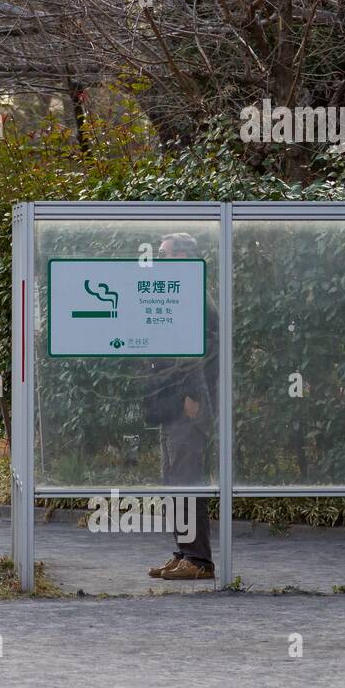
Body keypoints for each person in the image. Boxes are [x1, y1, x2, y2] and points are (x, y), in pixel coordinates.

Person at [142, 232, 218, 581]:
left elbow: (201, 352)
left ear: (185, 257)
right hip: (172, 404)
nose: (157, 261)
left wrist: (194, 398)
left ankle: (198, 560)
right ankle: (183, 552)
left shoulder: (197, 298)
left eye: (165, 255)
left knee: (187, 480)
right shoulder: (180, 295)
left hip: (188, 406)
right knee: (174, 479)